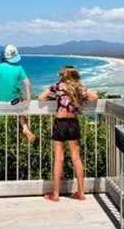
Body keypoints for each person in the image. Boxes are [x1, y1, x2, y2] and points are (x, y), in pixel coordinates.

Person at [39, 65, 98, 201]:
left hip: (60, 123)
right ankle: (81, 193)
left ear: (63, 76)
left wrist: (54, 99)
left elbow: (41, 97)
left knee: (59, 159)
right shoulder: (78, 88)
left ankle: (55, 194)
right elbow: (94, 97)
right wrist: (81, 96)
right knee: (76, 158)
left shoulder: (57, 86)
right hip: (73, 123)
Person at [0, 44, 36, 142]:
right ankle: (25, 128)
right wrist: (28, 99)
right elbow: (28, 84)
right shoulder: (19, 68)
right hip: (14, 102)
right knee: (21, 110)